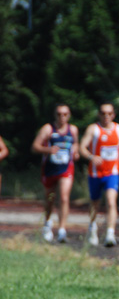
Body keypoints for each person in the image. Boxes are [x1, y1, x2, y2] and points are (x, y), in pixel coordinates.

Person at [80, 102, 119, 247]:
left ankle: (110, 233)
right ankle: (93, 228)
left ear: (113, 115)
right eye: (103, 113)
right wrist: (91, 157)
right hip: (95, 173)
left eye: (109, 113)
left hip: (112, 173)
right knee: (95, 203)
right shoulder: (93, 129)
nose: (106, 116)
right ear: (99, 114)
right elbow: (82, 147)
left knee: (110, 201)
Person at [31, 104, 79, 243]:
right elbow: (34, 147)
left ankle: (62, 229)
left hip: (66, 168)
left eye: (64, 114)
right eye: (59, 114)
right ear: (55, 115)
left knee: (64, 197)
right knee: (50, 198)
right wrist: (48, 150)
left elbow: (75, 144)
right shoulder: (48, 129)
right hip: (50, 168)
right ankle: (47, 223)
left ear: (69, 115)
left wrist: (75, 152)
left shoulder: (73, 129)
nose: (62, 117)